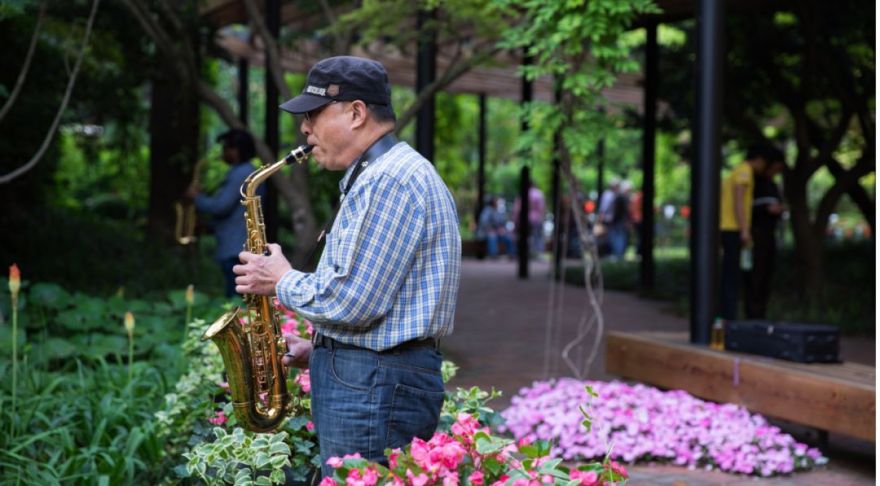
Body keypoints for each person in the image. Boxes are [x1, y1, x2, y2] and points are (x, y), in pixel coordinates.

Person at [231, 56, 461, 478]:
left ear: (356, 113)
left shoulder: (389, 179)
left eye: (313, 115)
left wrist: (278, 279)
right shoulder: (382, 173)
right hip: (374, 377)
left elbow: (352, 302)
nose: (304, 129)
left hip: (375, 383)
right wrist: (321, 350)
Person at [185, 129, 262, 297]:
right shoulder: (244, 172)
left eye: (226, 148)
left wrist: (197, 198)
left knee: (236, 300)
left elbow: (221, 206)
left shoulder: (242, 173)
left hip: (236, 248)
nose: (223, 153)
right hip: (238, 245)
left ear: (236, 150)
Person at [718, 143, 783, 320]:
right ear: (760, 160)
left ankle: (727, 317)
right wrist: (745, 230)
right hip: (732, 228)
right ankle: (727, 319)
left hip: (729, 228)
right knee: (732, 277)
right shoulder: (745, 172)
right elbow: (739, 201)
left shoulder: (737, 171)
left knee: (732, 276)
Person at [744, 158, 786, 319]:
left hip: (770, 234)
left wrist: (779, 210)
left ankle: (761, 313)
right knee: (755, 274)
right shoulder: (753, 183)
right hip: (755, 234)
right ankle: (752, 313)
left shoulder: (774, 186)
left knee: (766, 274)